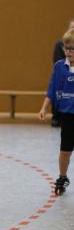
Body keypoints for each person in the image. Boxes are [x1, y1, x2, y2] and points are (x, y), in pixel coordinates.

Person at [39, 28, 74, 194]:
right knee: (65, 150)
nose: (70, 52)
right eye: (67, 48)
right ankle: (62, 176)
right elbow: (52, 89)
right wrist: (44, 108)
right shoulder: (60, 67)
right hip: (67, 115)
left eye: (73, 49)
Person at [51, 19, 74, 127]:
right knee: (57, 88)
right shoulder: (60, 44)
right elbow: (57, 60)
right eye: (72, 27)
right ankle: (56, 116)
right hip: (64, 74)